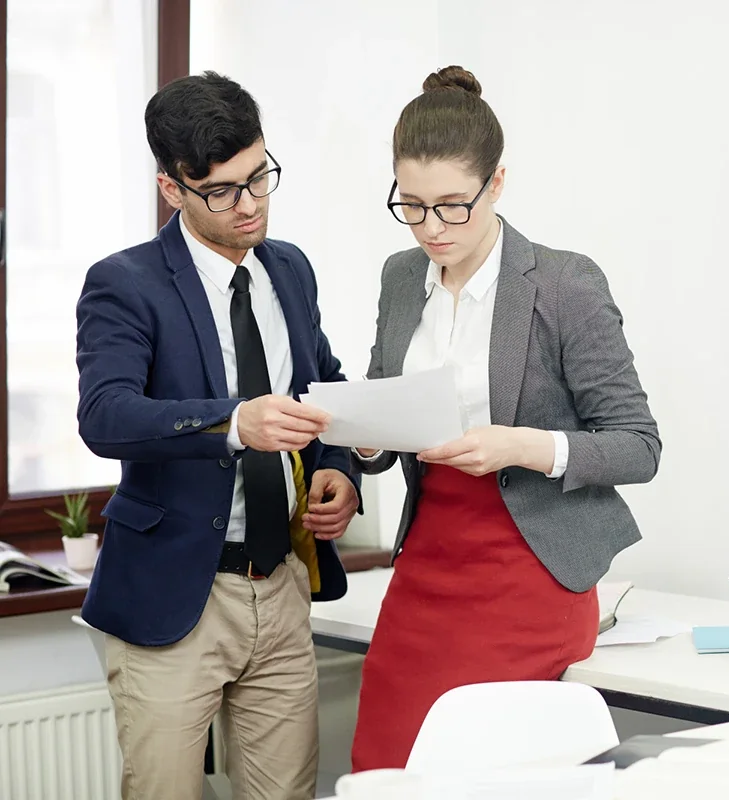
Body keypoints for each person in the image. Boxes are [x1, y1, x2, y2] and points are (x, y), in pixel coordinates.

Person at [349, 64, 662, 770]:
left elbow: (638, 447)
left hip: (530, 570)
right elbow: (387, 399)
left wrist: (521, 446)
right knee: (385, 768)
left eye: (452, 205)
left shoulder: (563, 283)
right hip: (426, 565)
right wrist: (363, 441)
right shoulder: (401, 277)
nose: (432, 228)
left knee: (474, 768)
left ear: (496, 184)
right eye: (411, 205)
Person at [75, 71, 362, 800]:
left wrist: (339, 469)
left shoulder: (289, 269)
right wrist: (233, 423)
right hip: (175, 597)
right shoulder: (125, 283)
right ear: (172, 189)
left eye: (259, 177)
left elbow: (322, 388)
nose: (250, 204)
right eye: (222, 191)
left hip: (283, 582)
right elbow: (105, 414)